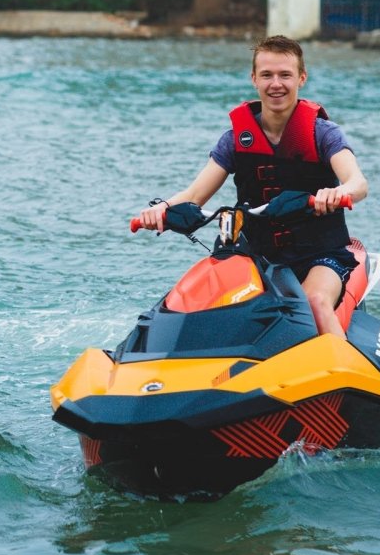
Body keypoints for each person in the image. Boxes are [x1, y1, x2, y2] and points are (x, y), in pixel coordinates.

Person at [132, 36, 368, 338]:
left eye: (285, 75)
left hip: (320, 254)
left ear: (302, 78)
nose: (276, 84)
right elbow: (194, 195)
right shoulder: (234, 140)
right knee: (204, 306)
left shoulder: (323, 134)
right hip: (256, 255)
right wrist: (161, 210)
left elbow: (358, 183)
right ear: (254, 79)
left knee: (313, 302)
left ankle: (340, 376)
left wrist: (339, 192)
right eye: (267, 75)